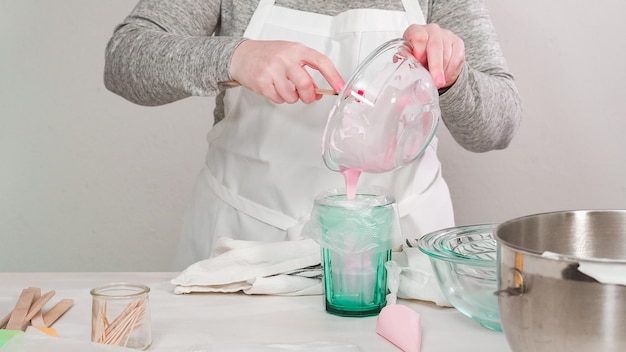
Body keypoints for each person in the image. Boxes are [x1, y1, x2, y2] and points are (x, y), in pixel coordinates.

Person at [104, 0, 522, 271]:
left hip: (399, 256)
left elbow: (497, 126)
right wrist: (234, 56)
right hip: (247, 249)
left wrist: (451, 77)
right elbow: (124, 60)